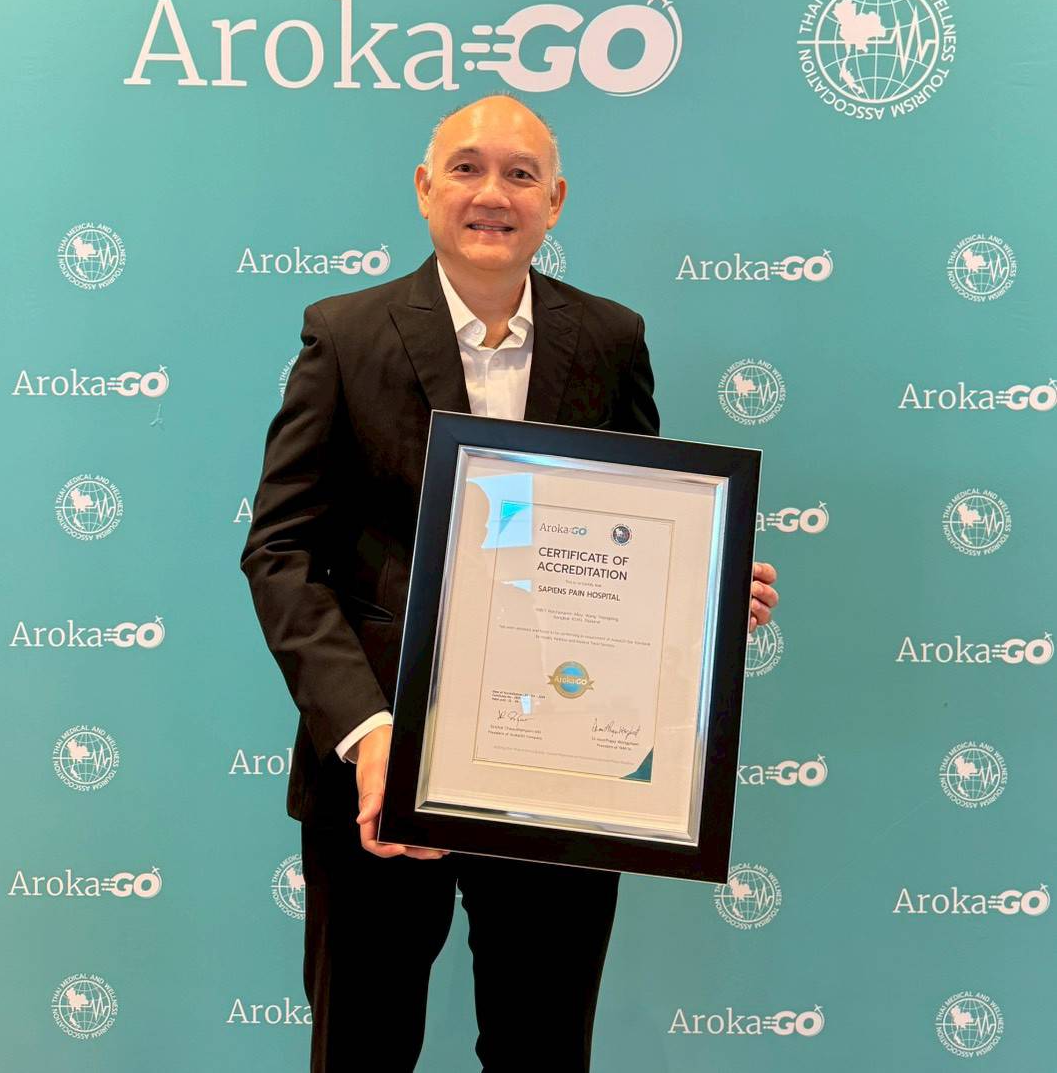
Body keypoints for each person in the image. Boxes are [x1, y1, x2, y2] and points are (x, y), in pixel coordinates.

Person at [241, 94, 779, 1073]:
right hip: (377, 773)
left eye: (520, 174)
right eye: (467, 167)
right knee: (361, 1049)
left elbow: (636, 527)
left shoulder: (610, 339)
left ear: (554, 200)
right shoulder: (346, 334)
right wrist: (368, 731)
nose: (493, 193)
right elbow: (280, 551)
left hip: (560, 769)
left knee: (544, 1050)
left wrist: (699, 590)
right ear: (425, 187)